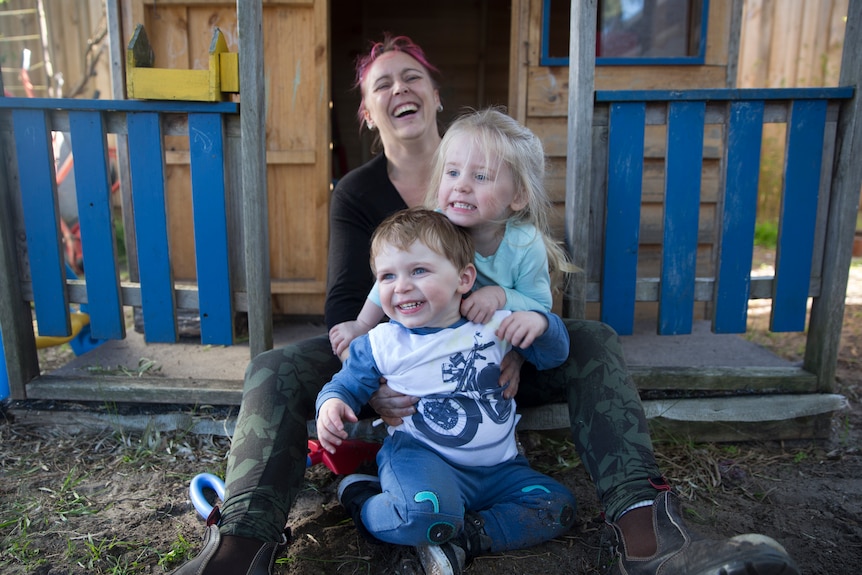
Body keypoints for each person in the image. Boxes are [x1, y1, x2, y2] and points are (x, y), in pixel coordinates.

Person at [169, 33, 800, 575]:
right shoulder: (360, 192)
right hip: (401, 366)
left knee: (595, 337)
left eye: (411, 76)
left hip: (496, 370)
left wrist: (516, 342)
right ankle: (241, 545)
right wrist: (368, 384)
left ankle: (650, 534)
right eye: (381, 84)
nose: (398, 89)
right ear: (365, 111)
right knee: (277, 367)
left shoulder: (492, 164)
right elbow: (347, 304)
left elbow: (546, 296)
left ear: (437, 95)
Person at [317, 208, 575, 572]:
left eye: (418, 270)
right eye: (387, 276)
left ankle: (468, 536)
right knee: (422, 513)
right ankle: (362, 498)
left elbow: (553, 355)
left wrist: (540, 323)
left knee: (557, 506)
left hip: (501, 469)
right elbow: (345, 384)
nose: (401, 286)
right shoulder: (382, 343)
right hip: (422, 459)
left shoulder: (495, 324)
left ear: (464, 278)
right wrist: (332, 403)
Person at [328, 107, 574, 363]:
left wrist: (500, 296)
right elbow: (391, 276)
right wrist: (361, 325)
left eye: (481, 176)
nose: (461, 186)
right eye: (453, 172)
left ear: (518, 195)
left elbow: (539, 307)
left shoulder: (525, 244)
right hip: (431, 340)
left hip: (489, 348)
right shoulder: (431, 228)